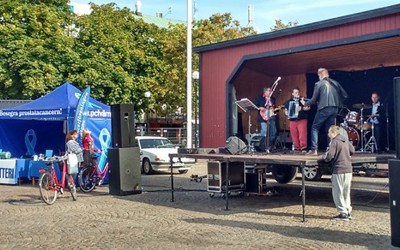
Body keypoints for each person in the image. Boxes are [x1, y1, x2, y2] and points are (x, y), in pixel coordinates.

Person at [302, 68, 348, 155]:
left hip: (324, 108)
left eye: (318, 76)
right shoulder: (336, 83)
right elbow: (345, 95)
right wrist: (338, 102)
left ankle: (314, 149)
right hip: (335, 108)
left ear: (320, 75)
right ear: (327, 74)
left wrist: (305, 103)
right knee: (330, 129)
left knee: (315, 127)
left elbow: (314, 99)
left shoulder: (318, 84)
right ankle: (331, 149)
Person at [322, 125, 355, 221]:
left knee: (338, 192)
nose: (328, 135)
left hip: (339, 169)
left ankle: (342, 213)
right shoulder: (345, 140)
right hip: (348, 169)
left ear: (333, 133)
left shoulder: (334, 141)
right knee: (346, 192)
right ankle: (348, 210)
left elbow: (329, 156)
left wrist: (324, 157)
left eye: (329, 133)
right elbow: (352, 150)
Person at [284, 88, 310, 152]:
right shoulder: (288, 102)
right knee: (294, 135)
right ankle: (296, 148)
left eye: (298, 92)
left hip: (301, 119)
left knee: (302, 134)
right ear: (292, 94)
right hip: (292, 120)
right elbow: (286, 110)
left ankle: (303, 147)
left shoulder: (302, 100)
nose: (297, 94)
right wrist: (287, 113)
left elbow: (308, 108)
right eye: (295, 92)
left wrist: (302, 107)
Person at [255, 87, 278, 151]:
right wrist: (260, 107)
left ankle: (269, 145)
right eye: (269, 91)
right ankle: (262, 146)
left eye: (271, 91)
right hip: (263, 117)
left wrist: (275, 110)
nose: (270, 92)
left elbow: (274, 107)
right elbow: (255, 105)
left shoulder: (272, 99)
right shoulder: (260, 98)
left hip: (271, 117)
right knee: (264, 131)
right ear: (265, 91)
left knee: (273, 132)